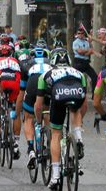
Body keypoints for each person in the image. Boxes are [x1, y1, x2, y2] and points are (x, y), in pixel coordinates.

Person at [35, 48, 88, 190]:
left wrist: (39, 121)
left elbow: (39, 105)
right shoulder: (79, 73)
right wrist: (80, 120)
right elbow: (84, 104)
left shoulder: (45, 74)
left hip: (58, 95)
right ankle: (78, 138)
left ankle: (55, 176)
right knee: (75, 109)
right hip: (77, 93)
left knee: (56, 134)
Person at [72, 27, 101, 97]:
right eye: (79, 33)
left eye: (82, 33)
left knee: (95, 77)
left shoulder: (86, 42)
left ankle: (94, 95)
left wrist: (89, 48)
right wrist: (89, 51)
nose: (81, 35)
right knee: (75, 78)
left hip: (86, 62)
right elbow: (79, 52)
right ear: (77, 34)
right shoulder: (75, 42)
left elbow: (88, 52)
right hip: (78, 62)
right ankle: (74, 93)